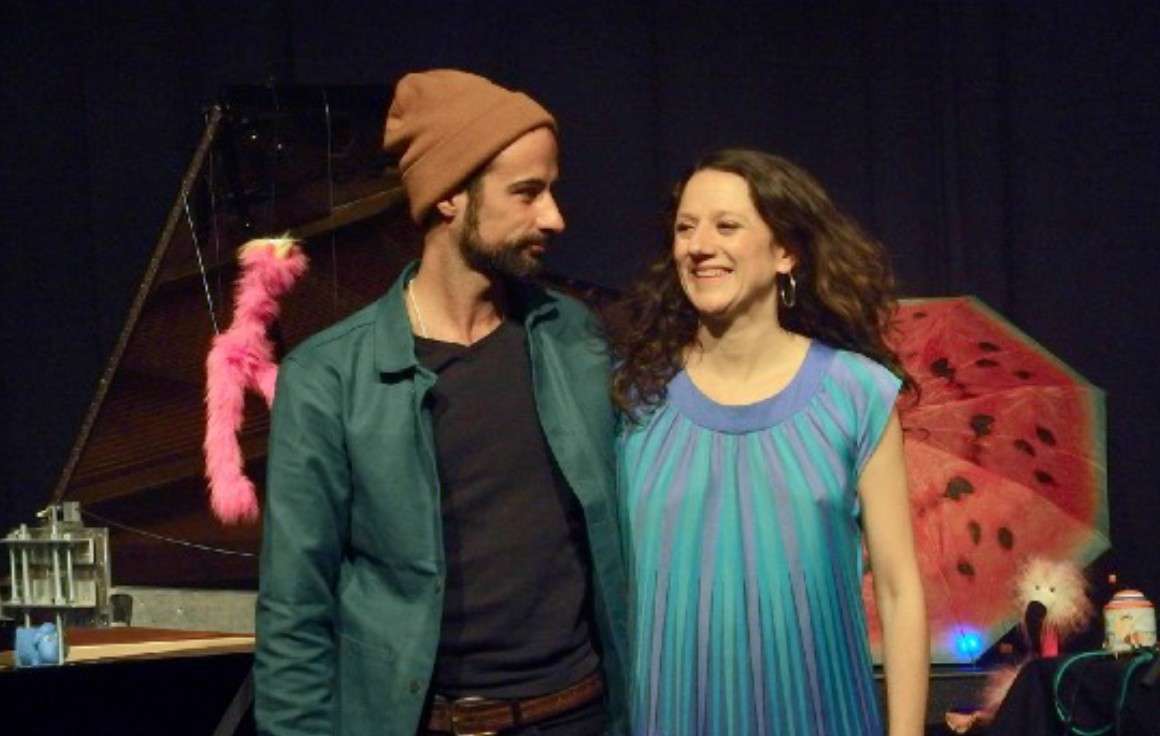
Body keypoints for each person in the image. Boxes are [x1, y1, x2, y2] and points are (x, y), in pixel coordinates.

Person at [254, 69, 628, 736]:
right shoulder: (329, 378)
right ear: (451, 195)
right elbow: (294, 613)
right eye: (527, 192)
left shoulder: (574, 338)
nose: (555, 217)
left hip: (578, 716)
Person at [608, 149, 929, 735]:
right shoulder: (633, 397)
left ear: (786, 252)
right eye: (685, 227)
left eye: (726, 225)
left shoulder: (856, 394)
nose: (698, 246)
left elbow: (898, 588)